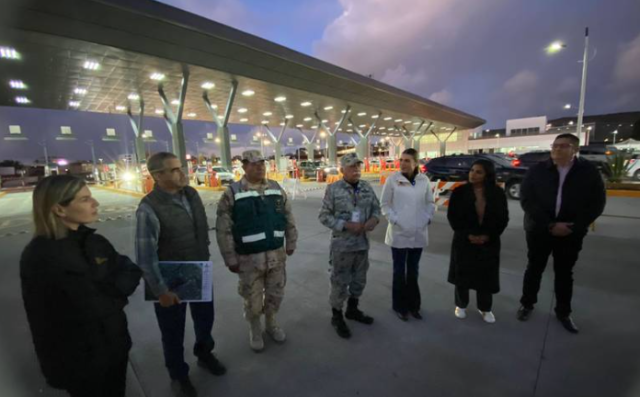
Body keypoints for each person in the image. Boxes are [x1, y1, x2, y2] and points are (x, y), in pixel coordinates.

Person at [21, 175, 141, 397]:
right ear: (59, 209)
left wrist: (113, 291)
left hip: (114, 347)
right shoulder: (41, 256)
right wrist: (117, 295)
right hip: (79, 362)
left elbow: (130, 270)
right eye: (85, 199)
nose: (95, 203)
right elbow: (85, 308)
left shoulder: (94, 242)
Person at [136, 152, 226, 397]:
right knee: (172, 332)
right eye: (174, 169)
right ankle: (179, 375)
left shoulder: (192, 194)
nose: (181, 172)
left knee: (205, 320)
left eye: (180, 167)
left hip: (198, 270)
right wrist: (161, 290)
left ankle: (204, 354)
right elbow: (145, 256)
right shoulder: (149, 207)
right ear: (157, 175)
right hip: (170, 278)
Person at [517, 133, 606, 333]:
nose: (556, 149)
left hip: (571, 233)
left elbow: (597, 203)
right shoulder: (538, 170)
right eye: (554, 145)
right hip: (539, 230)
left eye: (563, 146)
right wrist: (549, 225)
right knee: (534, 268)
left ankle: (563, 312)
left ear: (575, 149)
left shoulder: (588, 172)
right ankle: (527, 304)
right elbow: (527, 200)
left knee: (565, 273)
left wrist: (574, 226)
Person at [216, 150, 297, 352]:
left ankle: (271, 324)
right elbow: (223, 229)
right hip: (248, 260)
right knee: (252, 300)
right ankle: (254, 328)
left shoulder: (276, 188)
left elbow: (288, 217)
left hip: (276, 257)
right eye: (253, 164)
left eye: (261, 163)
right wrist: (229, 257)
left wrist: (291, 241)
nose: (259, 167)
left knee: (275, 295)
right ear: (244, 167)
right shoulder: (232, 193)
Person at [319, 153, 381, 339]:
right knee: (339, 282)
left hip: (362, 244)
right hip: (342, 246)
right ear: (342, 170)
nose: (356, 170)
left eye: (358, 166)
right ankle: (337, 316)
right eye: (352, 167)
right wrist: (345, 225)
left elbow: (377, 209)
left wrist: (373, 220)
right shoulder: (333, 189)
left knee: (359, 280)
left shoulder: (367, 187)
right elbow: (324, 216)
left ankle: (352, 310)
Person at [446, 160, 509, 323]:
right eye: (472, 170)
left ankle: (485, 308)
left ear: (487, 175)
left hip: (489, 242)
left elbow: (503, 218)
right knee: (462, 274)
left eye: (478, 172)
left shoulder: (497, 193)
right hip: (464, 241)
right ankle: (461, 304)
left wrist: (488, 236)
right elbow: (453, 217)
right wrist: (468, 235)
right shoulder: (460, 192)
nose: (473, 174)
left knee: (486, 275)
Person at [380, 148, 435, 321]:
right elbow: (384, 204)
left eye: (407, 160)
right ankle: (399, 306)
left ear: (415, 163)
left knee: (413, 271)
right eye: (401, 160)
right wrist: (394, 219)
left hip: (418, 232)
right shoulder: (393, 180)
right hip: (399, 233)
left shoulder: (423, 180)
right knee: (399, 271)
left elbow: (430, 202)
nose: (402, 163)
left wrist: (426, 218)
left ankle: (414, 305)